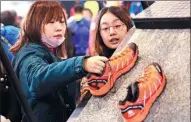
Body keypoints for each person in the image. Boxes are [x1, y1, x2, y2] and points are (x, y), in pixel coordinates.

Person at [9, 1, 108, 122]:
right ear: (34, 24)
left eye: (62, 21)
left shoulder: (49, 52)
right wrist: (81, 64)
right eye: (51, 22)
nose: (59, 27)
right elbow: (37, 79)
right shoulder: (29, 53)